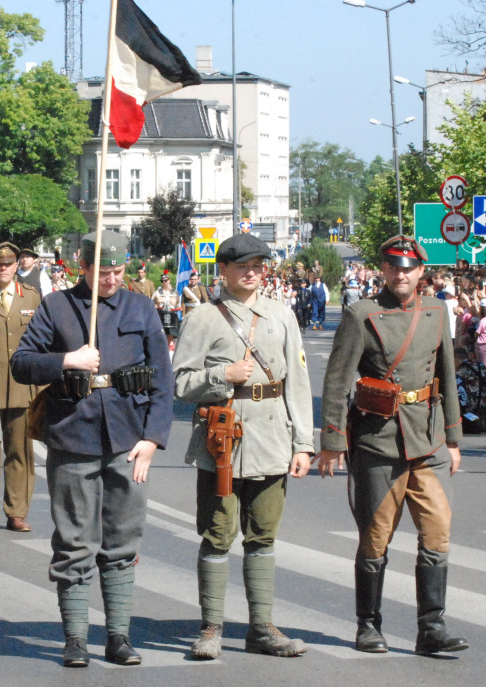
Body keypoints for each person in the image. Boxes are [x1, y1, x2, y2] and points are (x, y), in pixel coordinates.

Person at [10, 230, 173, 668]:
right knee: (74, 542)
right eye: (103, 272)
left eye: (119, 271)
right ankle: (75, 639)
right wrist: (67, 360)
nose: (112, 280)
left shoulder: (140, 307)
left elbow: (162, 377)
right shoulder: (56, 306)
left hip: (128, 439)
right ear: (82, 266)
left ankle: (118, 636)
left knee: (122, 541)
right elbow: (22, 363)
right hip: (73, 435)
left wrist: (152, 438)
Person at [315, 235, 468, 657]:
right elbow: (338, 378)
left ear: (421, 272)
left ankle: (431, 628)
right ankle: (369, 625)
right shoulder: (361, 314)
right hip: (379, 439)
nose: (400, 274)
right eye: (393, 266)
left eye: (408, 267)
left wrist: (453, 438)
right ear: (383, 269)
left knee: (437, 532)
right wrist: (332, 440)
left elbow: (447, 376)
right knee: (376, 537)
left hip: (429, 438)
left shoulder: (437, 312)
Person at [172, 234, 313, 660]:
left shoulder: (280, 314)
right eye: (241, 266)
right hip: (222, 442)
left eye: (257, 265)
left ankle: (261, 627)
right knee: (217, 535)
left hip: (272, 437)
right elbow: (180, 383)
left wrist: (303, 443)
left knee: (263, 535)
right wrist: (223, 376)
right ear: (224, 270)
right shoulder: (202, 318)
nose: (250, 272)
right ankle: (211, 627)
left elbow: (297, 384)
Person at [0, 242, 42, 534]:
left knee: (21, 454)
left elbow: (42, 344)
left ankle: (17, 511)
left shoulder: (33, 298)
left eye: (9, 263)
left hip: (23, 389)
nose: (3, 268)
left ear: (17, 266)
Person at [152, 273, 181, 348]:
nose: (165, 282)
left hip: (172, 316)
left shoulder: (175, 293)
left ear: (169, 280)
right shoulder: (157, 293)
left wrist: (179, 308)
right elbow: (151, 304)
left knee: (171, 338)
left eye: (166, 280)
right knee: (161, 336)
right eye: (163, 281)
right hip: (160, 316)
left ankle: (170, 355)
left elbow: (178, 304)